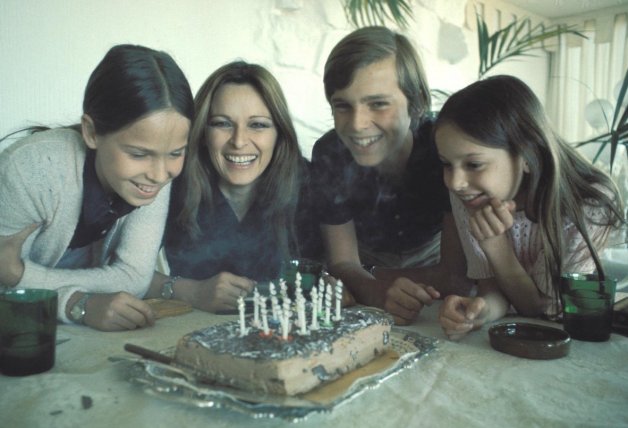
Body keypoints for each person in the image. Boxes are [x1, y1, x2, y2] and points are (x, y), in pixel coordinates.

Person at [0, 44, 194, 331]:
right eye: (139, 154)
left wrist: (21, 275)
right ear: (91, 132)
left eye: (176, 153)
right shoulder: (33, 168)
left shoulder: (155, 174)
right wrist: (78, 304)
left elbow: (134, 279)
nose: (159, 175)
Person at [435, 75, 625, 340]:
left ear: (527, 156)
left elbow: (541, 309)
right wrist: (481, 310)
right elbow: (493, 287)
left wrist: (495, 245)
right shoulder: (469, 195)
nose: (455, 182)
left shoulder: (587, 205)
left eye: (474, 164)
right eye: (446, 163)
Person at [311, 26, 465, 324]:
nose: (357, 124)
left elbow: (454, 275)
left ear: (417, 102)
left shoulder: (442, 146)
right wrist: (376, 289)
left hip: (426, 262)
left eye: (378, 104)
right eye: (342, 105)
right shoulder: (330, 152)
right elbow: (342, 260)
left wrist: (367, 279)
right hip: (365, 266)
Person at [153, 61, 325, 313]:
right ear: (202, 131)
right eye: (222, 123)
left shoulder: (307, 183)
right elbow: (127, 272)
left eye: (258, 125)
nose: (239, 141)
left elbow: (335, 271)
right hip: (189, 331)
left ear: (279, 133)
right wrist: (192, 292)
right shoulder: (172, 182)